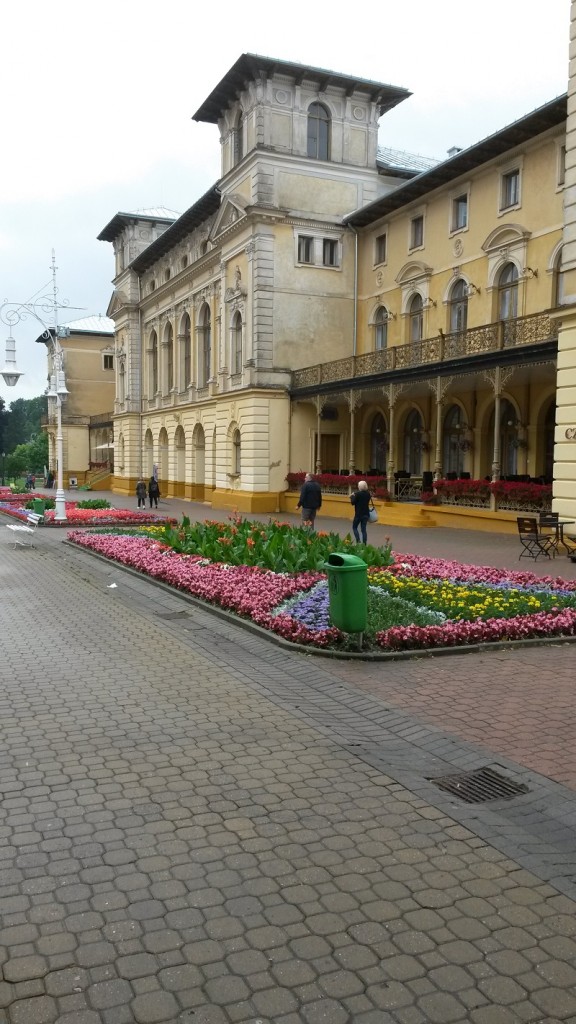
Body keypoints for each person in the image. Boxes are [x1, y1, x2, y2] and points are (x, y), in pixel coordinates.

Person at [350, 479, 372, 544]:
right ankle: (364, 543)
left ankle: (358, 540)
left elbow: (353, 503)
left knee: (354, 527)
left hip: (358, 514)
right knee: (363, 530)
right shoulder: (368, 494)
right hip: (366, 514)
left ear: (359, 487)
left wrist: (351, 497)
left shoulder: (357, 494)